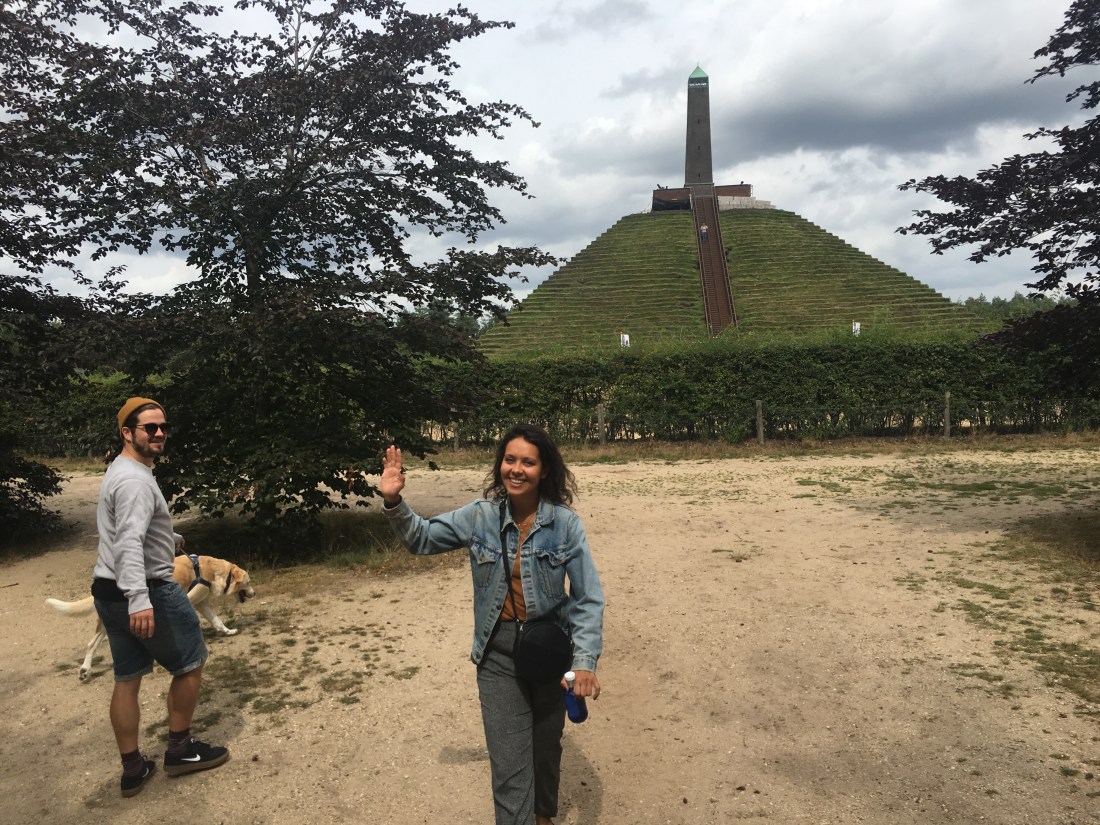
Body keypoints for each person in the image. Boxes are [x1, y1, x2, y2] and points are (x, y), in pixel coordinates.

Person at [380, 424, 605, 825]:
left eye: (528, 462)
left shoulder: (564, 524)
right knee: (509, 766)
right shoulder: (480, 516)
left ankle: (543, 816)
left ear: (544, 470)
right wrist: (394, 500)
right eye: (510, 459)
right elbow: (422, 538)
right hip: (498, 655)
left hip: (550, 653)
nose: (516, 469)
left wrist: (584, 662)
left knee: (545, 750)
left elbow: (587, 598)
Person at [92, 397, 229, 798]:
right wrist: (139, 599)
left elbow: (124, 527)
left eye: (163, 427)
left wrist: (167, 538)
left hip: (106, 591)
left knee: (127, 677)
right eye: (149, 427)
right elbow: (128, 542)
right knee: (191, 662)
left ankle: (132, 769)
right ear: (127, 432)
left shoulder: (122, 469)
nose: (158, 433)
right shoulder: (135, 480)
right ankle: (181, 750)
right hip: (145, 590)